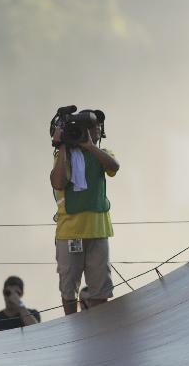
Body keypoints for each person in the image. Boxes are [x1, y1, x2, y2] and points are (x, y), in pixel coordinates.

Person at [50, 108, 121, 315]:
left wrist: (90, 147)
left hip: (98, 230)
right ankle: (71, 326)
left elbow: (114, 167)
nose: (95, 129)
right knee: (68, 288)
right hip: (70, 232)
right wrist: (62, 145)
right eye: (89, 127)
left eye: (98, 125)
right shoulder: (65, 156)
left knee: (100, 289)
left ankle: (98, 330)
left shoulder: (103, 153)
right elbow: (58, 181)